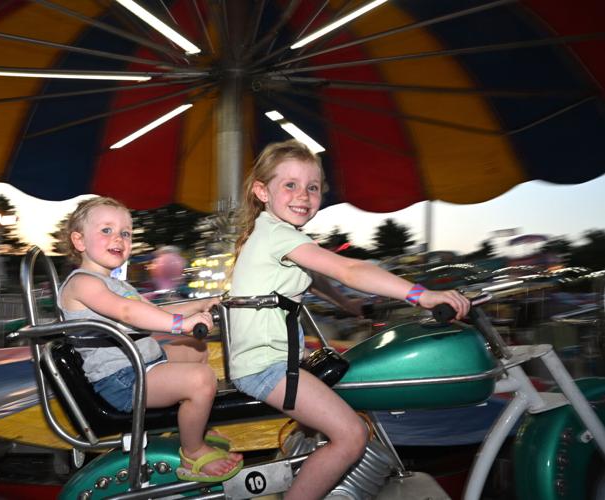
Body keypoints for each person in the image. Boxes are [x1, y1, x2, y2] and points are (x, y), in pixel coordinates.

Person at [229, 140, 470, 499]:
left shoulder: (278, 234)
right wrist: (423, 295)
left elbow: (318, 277)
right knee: (352, 434)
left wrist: (350, 305)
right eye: (290, 185)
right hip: (265, 366)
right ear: (262, 191)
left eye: (312, 187)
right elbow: (347, 268)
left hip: (271, 360)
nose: (304, 195)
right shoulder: (277, 234)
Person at [59, 196, 242, 483]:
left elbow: (152, 313)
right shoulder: (83, 283)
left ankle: (191, 423)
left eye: (125, 233)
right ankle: (193, 450)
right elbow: (128, 312)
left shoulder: (115, 283)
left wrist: (199, 304)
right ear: (79, 241)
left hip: (142, 363)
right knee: (201, 379)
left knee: (195, 349)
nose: (118, 238)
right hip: (122, 379)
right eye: (106, 230)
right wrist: (181, 325)